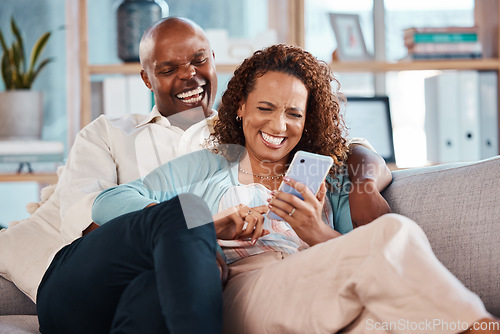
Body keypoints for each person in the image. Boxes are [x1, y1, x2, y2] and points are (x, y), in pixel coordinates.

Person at [90, 44, 499, 334]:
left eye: (293, 113)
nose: (278, 126)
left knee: (384, 323)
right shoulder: (208, 167)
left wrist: (316, 232)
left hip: (317, 290)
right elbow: (110, 204)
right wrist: (206, 226)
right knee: (394, 233)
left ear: (308, 120)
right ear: (241, 108)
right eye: (265, 108)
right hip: (242, 294)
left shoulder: (330, 176)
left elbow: (370, 166)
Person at [1, 15, 391, 306]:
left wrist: (363, 181)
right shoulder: (111, 134)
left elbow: (344, 146)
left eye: (199, 61)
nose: (190, 76)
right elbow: (92, 218)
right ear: (146, 78)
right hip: (153, 273)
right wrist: (196, 230)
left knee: (398, 245)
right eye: (168, 69)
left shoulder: (252, 133)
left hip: (281, 275)